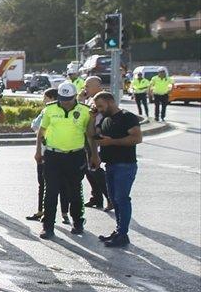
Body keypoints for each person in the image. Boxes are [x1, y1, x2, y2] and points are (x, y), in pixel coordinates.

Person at [35, 81, 99, 239]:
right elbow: (41, 132)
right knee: (50, 191)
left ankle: (78, 222)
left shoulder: (84, 111)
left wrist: (94, 155)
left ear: (74, 97)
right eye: (62, 99)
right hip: (53, 155)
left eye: (68, 99)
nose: (65, 103)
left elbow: (90, 135)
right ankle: (47, 226)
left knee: (75, 191)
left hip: (75, 155)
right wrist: (38, 151)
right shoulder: (50, 109)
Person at [93, 91, 141, 248]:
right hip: (110, 165)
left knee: (122, 199)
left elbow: (137, 138)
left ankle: (122, 233)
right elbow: (93, 135)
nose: (99, 109)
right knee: (114, 199)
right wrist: (92, 119)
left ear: (110, 102)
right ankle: (119, 231)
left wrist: (112, 142)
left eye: (100, 105)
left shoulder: (127, 117)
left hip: (125, 165)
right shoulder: (106, 119)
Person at [26, 87, 71, 225]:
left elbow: (35, 125)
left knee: (45, 185)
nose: (43, 100)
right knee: (62, 184)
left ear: (51, 98)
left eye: (45, 97)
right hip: (59, 152)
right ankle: (63, 213)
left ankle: (44, 213)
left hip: (48, 152)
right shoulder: (63, 111)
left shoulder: (48, 111)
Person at [81, 76, 112, 211]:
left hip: (97, 136)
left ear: (97, 86)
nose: (85, 88)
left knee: (95, 169)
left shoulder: (102, 100)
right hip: (87, 137)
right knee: (88, 169)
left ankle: (109, 197)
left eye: (87, 86)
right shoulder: (89, 99)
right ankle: (96, 197)